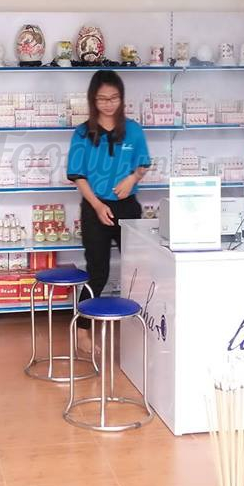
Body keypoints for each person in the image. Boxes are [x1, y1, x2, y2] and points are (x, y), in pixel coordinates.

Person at [66, 70, 151, 354]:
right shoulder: (82, 133)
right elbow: (78, 175)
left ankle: (143, 326)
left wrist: (132, 178)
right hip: (95, 207)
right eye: (102, 98)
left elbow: (143, 164)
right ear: (93, 100)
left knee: (139, 269)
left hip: (128, 208)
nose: (108, 104)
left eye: (114, 98)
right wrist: (98, 205)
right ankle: (82, 332)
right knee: (98, 272)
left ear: (121, 98)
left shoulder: (133, 130)